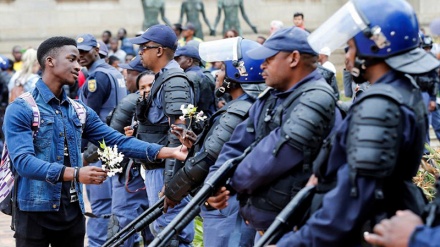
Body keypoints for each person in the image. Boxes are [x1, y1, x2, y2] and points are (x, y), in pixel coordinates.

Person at [274, 0, 440, 246]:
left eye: (351, 48)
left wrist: (296, 243)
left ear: (375, 45)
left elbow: (355, 195)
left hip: (361, 231)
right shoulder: (400, 91)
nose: (348, 58)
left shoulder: (380, 104)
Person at [2, 35, 187, 247]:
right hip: (34, 212)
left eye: (78, 59)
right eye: (71, 59)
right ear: (50, 61)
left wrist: (170, 151)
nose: (77, 65)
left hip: (72, 211)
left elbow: (118, 141)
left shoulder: (78, 110)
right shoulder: (22, 108)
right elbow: (23, 162)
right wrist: (76, 173)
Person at [205, 27, 341, 238]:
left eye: (269, 58)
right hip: (267, 225)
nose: (262, 65)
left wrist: (228, 184)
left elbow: (271, 158)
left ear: (294, 58)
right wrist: (214, 183)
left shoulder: (316, 98)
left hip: (297, 230)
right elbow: (236, 145)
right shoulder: (272, 97)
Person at [165, 37, 267, 247]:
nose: (217, 75)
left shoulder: (238, 110)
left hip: (227, 202)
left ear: (237, 74)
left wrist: (172, 191)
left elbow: (207, 160)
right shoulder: (248, 106)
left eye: (222, 68)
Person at [128, 24, 195, 246]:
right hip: (158, 165)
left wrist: (171, 182)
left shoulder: (173, 80)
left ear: (159, 50)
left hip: (166, 168)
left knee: (171, 231)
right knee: (164, 229)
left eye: (145, 47)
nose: (140, 52)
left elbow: (179, 134)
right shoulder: (162, 77)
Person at [76, 33, 127, 247]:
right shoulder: (112, 72)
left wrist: (85, 152)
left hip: (100, 149)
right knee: (113, 203)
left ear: (96, 50)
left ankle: (98, 244)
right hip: (113, 146)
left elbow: (90, 117)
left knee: (100, 206)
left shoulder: (97, 77)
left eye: (85, 51)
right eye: (77, 52)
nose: (81, 56)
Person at [174, 45, 216, 119]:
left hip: (198, 120)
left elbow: (190, 107)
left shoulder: (190, 77)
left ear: (189, 61)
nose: (175, 62)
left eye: (178, 59)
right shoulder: (201, 73)